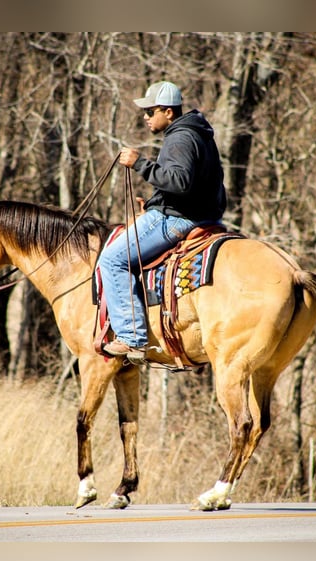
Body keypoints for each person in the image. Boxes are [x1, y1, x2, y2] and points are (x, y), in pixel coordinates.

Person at [98, 80, 227, 360]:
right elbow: (190, 185)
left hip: (178, 220)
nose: (145, 117)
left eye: (150, 111)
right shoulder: (199, 134)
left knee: (111, 260)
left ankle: (132, 337)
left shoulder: (179, 137)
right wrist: (155, 202)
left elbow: (179, 182)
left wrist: (140, 164)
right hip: (202, 216)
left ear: (168, 112)